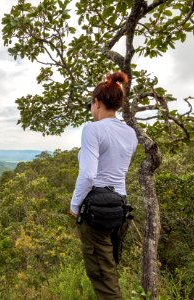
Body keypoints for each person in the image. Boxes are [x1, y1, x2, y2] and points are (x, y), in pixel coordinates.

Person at [70, 71, 138, 300]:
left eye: (92, 104)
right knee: (110, 266)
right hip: (120, 209)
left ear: (96, 103)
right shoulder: (130, 134)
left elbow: (89, 175)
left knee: (103, 277)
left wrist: (74, 205)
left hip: (96, 212)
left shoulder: (93, 129)